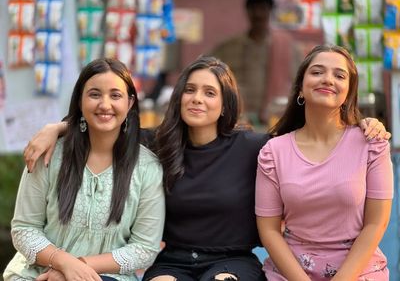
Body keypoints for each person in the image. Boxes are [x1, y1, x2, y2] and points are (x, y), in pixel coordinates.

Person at [22, 56, 390, 281]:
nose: (197, 98)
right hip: (172, 262)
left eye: (210, 92)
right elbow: (109, 121)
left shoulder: (255, 147)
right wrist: (57, 128)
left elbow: (311, 138)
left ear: (225, 101)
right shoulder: (156, 145)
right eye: (191, 90)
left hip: (232, 260)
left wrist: (364, 126)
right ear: (179, 94)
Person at [3, 58, 165, 281]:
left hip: (107, 277)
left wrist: (76, 269)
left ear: (129, 104)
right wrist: (62, 262)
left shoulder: (147, 168)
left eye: (115, 95)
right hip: (37, 275)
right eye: (95, 94)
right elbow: (24, 229)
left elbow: (144, 248)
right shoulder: (50, 155)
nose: (105, 104)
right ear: (80, 101)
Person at [255, 45, 393, 280]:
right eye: (317, 72)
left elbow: (376, 224)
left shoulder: (372, 143)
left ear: (348, 92)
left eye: (339, 75)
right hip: (291, 272)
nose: (328, 80)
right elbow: (269, 230)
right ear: (300, 87)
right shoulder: (273, 152)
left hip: (358, 272)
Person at [209, 0, 297, 125]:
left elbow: (300, 82)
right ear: (247, 11)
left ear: (270, 12)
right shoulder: (229, 47)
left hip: (275, 121)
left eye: (263, 8)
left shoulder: (286, 47)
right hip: (236, 121)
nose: (258, 14)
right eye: (254, 9)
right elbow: (207, 73)